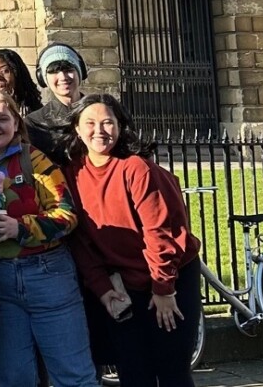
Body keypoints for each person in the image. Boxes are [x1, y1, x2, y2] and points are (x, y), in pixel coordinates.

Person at [0, 89, 96, 387]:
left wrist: (21, 228)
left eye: (3, 119)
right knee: (13, 378)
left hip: (48, 275)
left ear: (17, 125)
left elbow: (67, 214)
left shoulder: (35, 160)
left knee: (74, 376)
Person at [62, 94, 202, 387]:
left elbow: (159, 231)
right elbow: (79, 241)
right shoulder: (71, 174)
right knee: (133, 370)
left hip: (169, 277)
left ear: (119, 126)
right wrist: (102, 288)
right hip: (122, 284)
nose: (99, 130)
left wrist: (164, 289)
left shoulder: (136, 168)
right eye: (89, 123)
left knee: (172, 369)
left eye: (107, 122)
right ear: (76, 128)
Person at [25, 43, 88, 165]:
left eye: (68, 70)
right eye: (53, 72)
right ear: (43, 78)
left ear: (80, 72)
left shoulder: (103, 112)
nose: (63, 77)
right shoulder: (34, 123)